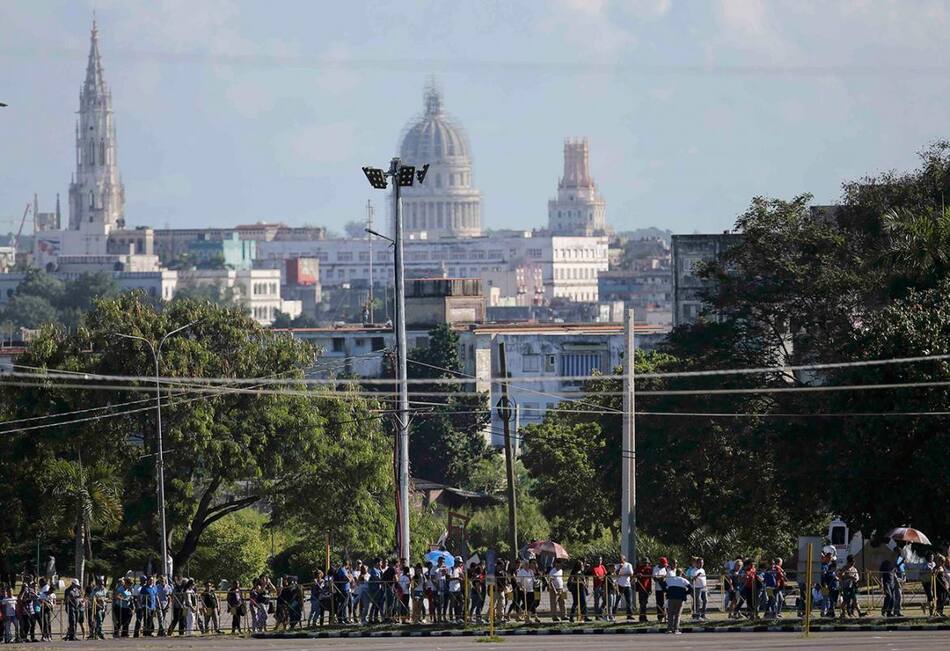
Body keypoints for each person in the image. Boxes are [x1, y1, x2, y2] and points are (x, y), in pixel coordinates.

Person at [664, 565, 689, 635]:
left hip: (671, 598)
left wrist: (668, 593)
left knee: (670, 614)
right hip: (680, 599)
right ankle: (676, 629)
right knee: (678, 614)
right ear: (681, 573)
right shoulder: (684, 580)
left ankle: (669, 629)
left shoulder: (671, 579)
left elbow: (664, 585)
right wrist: (685, 593)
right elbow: (690, 588)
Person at [613, 554, 634, 620]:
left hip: (627, 584)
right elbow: (615, 574)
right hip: (619, 584)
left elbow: (631, 574)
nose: (620, 560)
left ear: (624, 559)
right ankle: (613, 614)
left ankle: (629, 615)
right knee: (617, 600)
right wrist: (619, 568)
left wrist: (622, 574)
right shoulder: (616, 566)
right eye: (619, 559)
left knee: (629, 601)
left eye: (621, 559)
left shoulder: (628, 565)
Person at [634, 556, 652, 623]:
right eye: (644, 562)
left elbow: (650, 577)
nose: (645, 564)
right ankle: (642, 617)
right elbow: (634, 573)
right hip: (641, 588)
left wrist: (650, 589)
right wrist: (637, 574)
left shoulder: (649, 569)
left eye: (646, 563)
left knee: (644, 603)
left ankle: (643, 617)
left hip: (647, 588)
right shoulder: (639, 568)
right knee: (642, 603)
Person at [652, 557, 669, 623]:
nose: (665, 565)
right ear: (660, 563)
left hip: (666, 588)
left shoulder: (666, 568)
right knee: (660, 603)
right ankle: (660, 617)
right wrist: (662, 577)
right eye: (664, 564)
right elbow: (655, 579)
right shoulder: (656, 568)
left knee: (667, 602)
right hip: (659, 589)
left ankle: (667, 616)